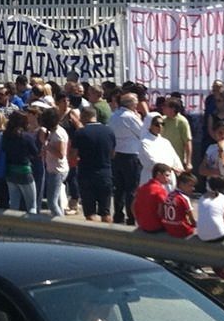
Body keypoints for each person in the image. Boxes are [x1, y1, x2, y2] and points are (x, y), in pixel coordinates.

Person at [70, 107, 115, 223]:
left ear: (84, 117)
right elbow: (112, 154)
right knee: (106, 212)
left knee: (90, 213)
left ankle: (92, 233)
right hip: (105, 173)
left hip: (86, 174)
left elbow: (73, 155)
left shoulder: (80, 133)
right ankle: (107, 232)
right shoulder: (109, 131)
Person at [107, 93, 143, 225]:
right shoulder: (130, 117)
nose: (137, 104)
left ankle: (118, 214)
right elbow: (142, 132)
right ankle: (131, 216)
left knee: (119, 188)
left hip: (117, 153)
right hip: (131, 154)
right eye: (135, 101)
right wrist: (139, 118)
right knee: (131, 188)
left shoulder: (113, 116)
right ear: (130, 103)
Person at [1, 111, 39, 214]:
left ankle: (12, 223)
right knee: (32, 205)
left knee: (14, 203)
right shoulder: (27, 137)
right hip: (24, 171)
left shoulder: (6, 135)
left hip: (10, 171)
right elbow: (35, 153)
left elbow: (3, 149)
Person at [138, 113, 182, 188]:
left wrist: (179, 169)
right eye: (157, 124)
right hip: (151, 177)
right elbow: (151, 161)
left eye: (162, 124)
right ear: (149, 125)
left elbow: (175, 158)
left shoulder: (165, 142)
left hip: (168, 178)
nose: (160, 126)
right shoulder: (144, 142)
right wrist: (169, 168)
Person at [198, 121, 224, 199]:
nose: (223, 136)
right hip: (211, 187)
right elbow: (202, 170)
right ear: (215, 133)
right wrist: (214, 172)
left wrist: (221, 150)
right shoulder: (211, 148)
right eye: (220, 133)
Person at [40, 107, 69, 216]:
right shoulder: (52, 132)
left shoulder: (58, 134)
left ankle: (59, 221)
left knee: (52, 202)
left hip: (57, 171)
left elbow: (61, 154)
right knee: (57, 200)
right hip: (53, 169)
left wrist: (46, 144)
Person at [132, 163, 171, 233]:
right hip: (155, 227)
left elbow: (133, 206)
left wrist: (139, 220)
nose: (169, 179)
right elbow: (160, 212)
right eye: (167, 175)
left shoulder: (142, 188)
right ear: (158, 174)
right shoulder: (160, 190)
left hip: (142, 225)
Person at [161, 98, 193, 171]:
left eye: (165, 106)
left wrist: (188, 162)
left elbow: (188, 142)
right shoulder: (162, 120)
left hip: (177, 161)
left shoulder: (182, 121)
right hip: (162, 159)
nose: (163, 107)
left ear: (173, 109)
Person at [162, 172, 197, 238]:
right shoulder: (184, 198)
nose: (193, 188)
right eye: (190, 186)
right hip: (181, 230)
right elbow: (192, 220)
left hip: (168, 228)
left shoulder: (169, 195)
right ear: (181, 184)